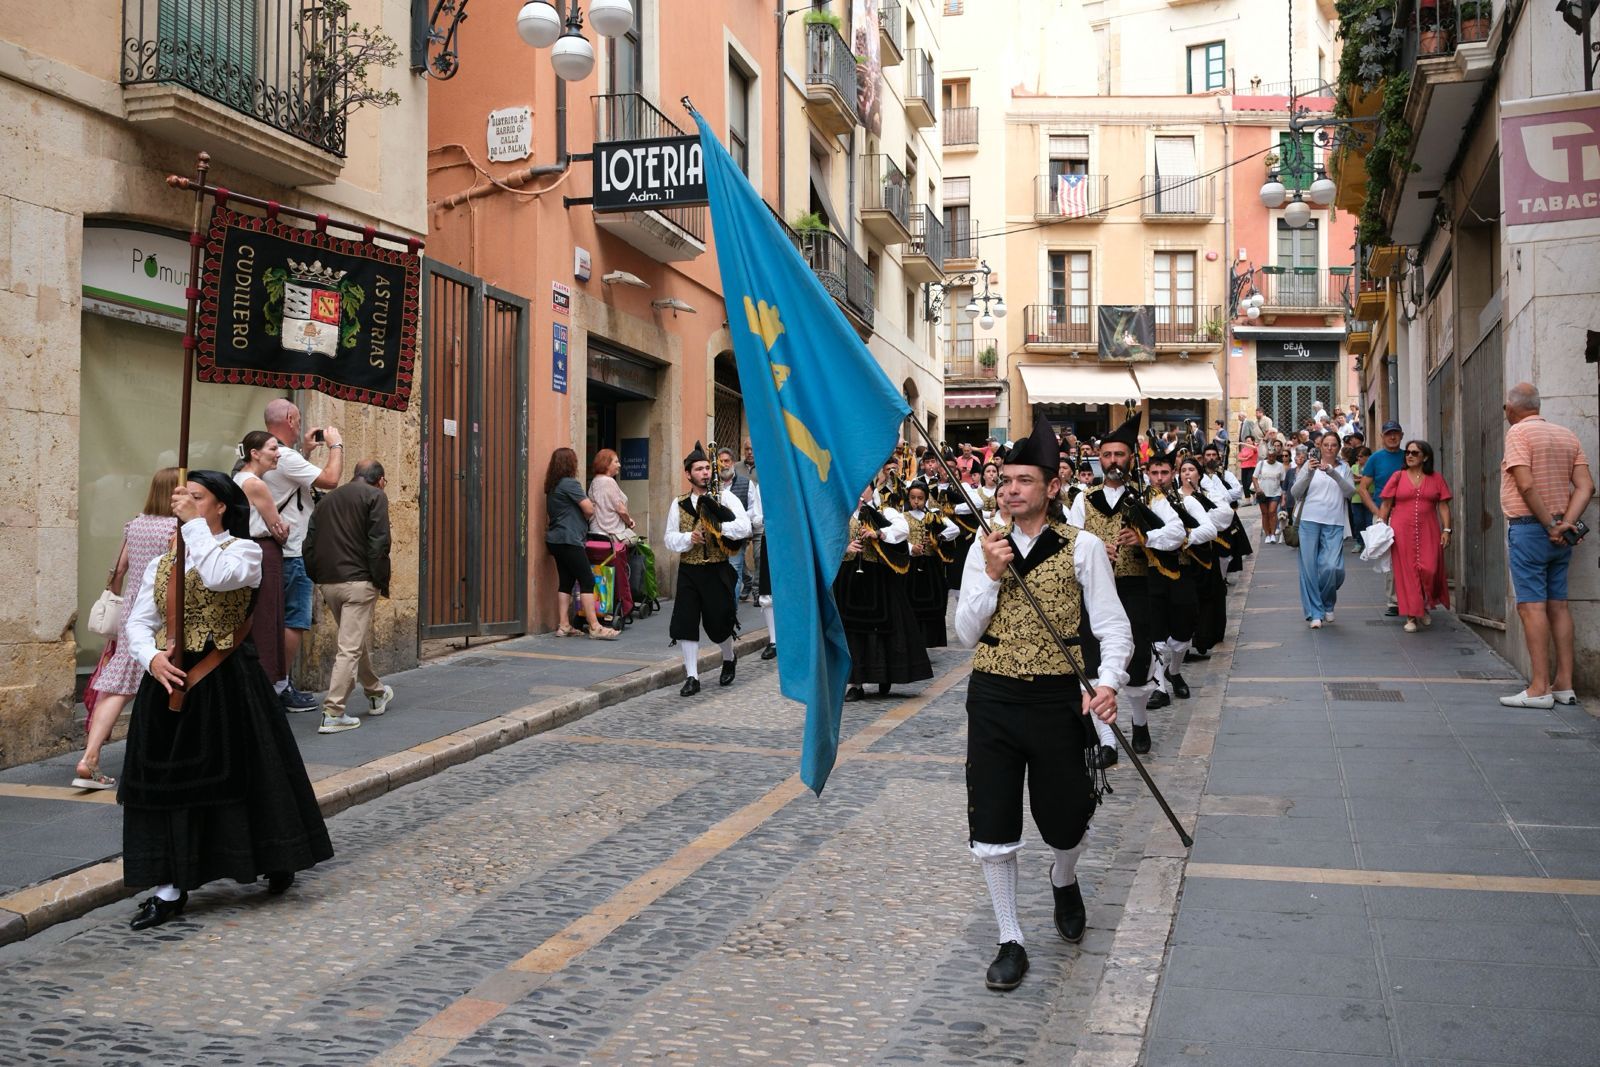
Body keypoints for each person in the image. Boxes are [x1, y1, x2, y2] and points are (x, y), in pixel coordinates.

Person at [953, 414, 1131, 992]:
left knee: (1066, 820)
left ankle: (1064, 877)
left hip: (1060, 699)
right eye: (1005, 479)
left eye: (1025, 479)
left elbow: (1112, 625)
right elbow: (964, 632)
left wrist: (1107, 683)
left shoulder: (1083, 549)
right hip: (994, 697)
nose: (1011, 489)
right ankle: (1011, 938)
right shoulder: (986, 548)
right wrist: (990, 574)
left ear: (1052, 487)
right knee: (994, 820)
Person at [120, 471, 333, 929]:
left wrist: (193, 524)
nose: (188, 504)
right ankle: (169, 885)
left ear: (221, 507)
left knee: (249, 774)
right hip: (170, 685)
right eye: (185, 497)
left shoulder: (245, 552)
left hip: (226, 682)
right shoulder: (164, 562)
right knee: (167, 784)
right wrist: (151, 658)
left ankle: (275, 855)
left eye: (199, 497)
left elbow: (218, 578)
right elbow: (138, 621)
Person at [1066, 414, 1185, 761]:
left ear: (1131, 458)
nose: (1113, 462)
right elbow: (1070, 539)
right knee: (1093, 661)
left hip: (1134, 588)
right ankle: (1107, 742)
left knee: (1136, 661)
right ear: (1098, 459)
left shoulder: (1149, 497)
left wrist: (1144, 538)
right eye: (1107, 456)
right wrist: (1091, 549)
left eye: (1119, 455)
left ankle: (1140, 721)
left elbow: (1178, 532)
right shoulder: (1083, 499)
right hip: (1092, 592)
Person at [73, 468, 180, 790]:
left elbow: (119, 569)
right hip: (160, 609)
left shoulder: (134, 523)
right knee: (166, 677)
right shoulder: (177, 527)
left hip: (131, 607)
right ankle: (164, 758)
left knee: (117, 684)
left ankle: (89, 757)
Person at [1498, 383, 1594, 708]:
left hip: (1530, 528)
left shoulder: (1517, 435)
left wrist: (1550, 524)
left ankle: (1540, 687)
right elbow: (1586, 486)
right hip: (1560, 534)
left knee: (1531, 606)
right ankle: (1564, 683)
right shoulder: (1567, 435)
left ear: (1513, 408)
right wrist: (1565, 522)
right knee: (1559, 605)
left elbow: (1524, 483)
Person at [262, 400, 343, 714]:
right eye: (297, 419)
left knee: (273, 620)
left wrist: (306, 454)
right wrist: (335, 444)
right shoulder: (284, 455)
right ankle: (280, 686)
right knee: (293, 620)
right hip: (292, 550)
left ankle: (272, 683)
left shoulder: (259, 451)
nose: (299, 425)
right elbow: (331, 480)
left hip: (271, 551)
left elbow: (285, 485)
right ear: (290, 419)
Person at [304, 459, 395, 733]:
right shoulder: (375, 496)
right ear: (379, 480)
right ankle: (333, 711)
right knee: (349, 647)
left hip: (329, 582)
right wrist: (380, 581)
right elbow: (379, 543)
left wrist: (317, 577)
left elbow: (309, 544)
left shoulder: (327, 501)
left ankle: (376, 692)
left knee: (352, 640)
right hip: (359, 582)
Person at [665, 443, 752, 695]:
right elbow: (669, 538)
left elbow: (745, 527)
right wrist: (688, 538)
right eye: (699, 469)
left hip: (717, 569)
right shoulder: (678, 504)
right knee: (686, 622)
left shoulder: (725, 497)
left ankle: (728, 657)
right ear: (688, 474)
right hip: (689, 570)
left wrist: (719, 528)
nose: (704, 472)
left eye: (706, 468)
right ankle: (692, 676)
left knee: (719, 622)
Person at [836, 481, 932, 700]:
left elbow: (901, 531)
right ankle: (855, 683)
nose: (858, 490)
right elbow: (828, 537)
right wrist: (846, 547)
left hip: (879, 579)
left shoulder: (885, 510)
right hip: (850, 579)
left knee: (883, 627)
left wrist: (877, 533)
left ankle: (885, 674)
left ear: (871, 488)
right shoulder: (844, 512)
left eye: (863, 485)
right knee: (853, 630)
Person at [1145, 452, 1218, 715]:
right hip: (1151, 574)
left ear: (1173, 474)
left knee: (1184, 628)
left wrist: (1184, 538)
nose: (1159, 478)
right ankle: (1159, 686)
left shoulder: (1186, 501)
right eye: (1154, 473)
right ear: (1147, 474)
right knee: (1155, 630)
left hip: (1182, 572)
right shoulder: (1144, 503)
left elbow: (1210, 529)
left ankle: (1174, 671)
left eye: (1164, 473)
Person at [232, 432, 291, 699]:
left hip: (245, 549)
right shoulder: (256, 484)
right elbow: (278, 530)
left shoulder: (237, 479)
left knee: (254, 615)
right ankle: (267, 683)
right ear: (254, 453)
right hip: (264, 552)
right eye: (272, 448)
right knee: (268, 616)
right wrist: (286, 529)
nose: (277, 453)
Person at [1376, 441, 1452, 633]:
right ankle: (1411, 615)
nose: (1409, 456)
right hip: (1401, 530)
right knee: (1407, 572)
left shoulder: (1436, 478)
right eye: (1407, 453)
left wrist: (1447, 530)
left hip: (1429, 529)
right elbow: (1386, 504)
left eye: (1414, 453)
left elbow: (1443, 505)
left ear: (1425, 457)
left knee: (1429, 568)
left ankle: (1424, 604)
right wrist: (1380, 525)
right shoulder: (1398, 476)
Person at [545, 447, 618, 640]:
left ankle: (564, 625)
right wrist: (589, 509)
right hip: (570, 539)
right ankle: (595, 627)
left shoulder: (553, 485)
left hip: (555, 540)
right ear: (571, 463)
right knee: (587, 580)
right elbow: (588, 508)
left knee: (566, 581)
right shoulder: (570, 483)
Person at [1290, 430, 1357, 628]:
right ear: (1320, 447)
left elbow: (1350, 492)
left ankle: (1327, 602)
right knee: (1309, 568)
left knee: (1332, 567)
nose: (1329, 448)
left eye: (1333, 445)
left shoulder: (1344, 468)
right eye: (1325, 445)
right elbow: (1295, 492)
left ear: (1338, 448)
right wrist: (1309, 473)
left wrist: (1333, 473)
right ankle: (1315, 612)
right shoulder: (1308, 467)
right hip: (1309, 520)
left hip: (1334, 522)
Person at [1356, 421, 1408, 617]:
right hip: (1385, 514)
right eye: (1388, 434)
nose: (1392, 437)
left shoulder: (1408, 456)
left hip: (1408, 512)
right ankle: (1394, 600)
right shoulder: (1376, 459)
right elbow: (1363, 488)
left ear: (1401, 435)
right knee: (1391, 558)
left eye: (1395, 433)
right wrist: (1376, 512)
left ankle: (1411, 596)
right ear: (1382, 436)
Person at [903, 480, 959, 648]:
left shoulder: (934, 515)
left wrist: (937, 537)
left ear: (926, 498)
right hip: (911, 566)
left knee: (934, 600)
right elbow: (897, 538)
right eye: (913, 498)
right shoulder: (903, 517)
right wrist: (911, 548)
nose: (916, 502)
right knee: (911, 602)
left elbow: (954, 529)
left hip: (931, 565)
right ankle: (913, 639)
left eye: (920, 498)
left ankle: (929, 639)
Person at [588, 449, 647, 603]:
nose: (619, 465)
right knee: (637, 548)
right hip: (612, 535)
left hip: (596, 535)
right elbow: (620, 508)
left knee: (600, 569)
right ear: (606, 464)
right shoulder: (609, 482)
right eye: (615, 461)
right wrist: (629, 521)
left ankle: (603, 601)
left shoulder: (594, 482)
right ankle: (629, 596)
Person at [716, 446, 756, 606]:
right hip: (716, 538)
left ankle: (731, 611)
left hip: (736, 538)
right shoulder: (711, 485)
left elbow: (753, 508)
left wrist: (741, 522)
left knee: (734, 571)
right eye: (721, 461)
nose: (724, 464)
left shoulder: (746, 484)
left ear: (733, 462)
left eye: (727, 461)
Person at [1254, 444, 1287, 544]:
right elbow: (1254, 477)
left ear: (1276, 456)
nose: (1271, 458)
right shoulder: (1261, 464)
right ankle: (1267, 534)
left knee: (1272, 512)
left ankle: (1272, 534)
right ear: (1267, 455)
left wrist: (1283, 497)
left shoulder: (1280, 466)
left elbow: (1282, 482)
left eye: (1273, 456)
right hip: (1262, 493)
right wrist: (1257, 488)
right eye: (1269, 456)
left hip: (1275, 492)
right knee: (1265, 514)